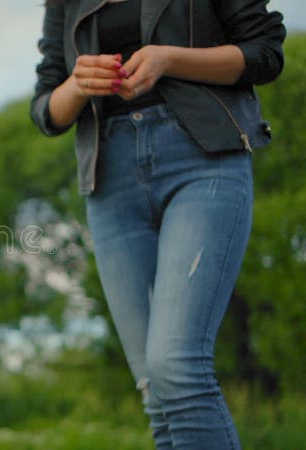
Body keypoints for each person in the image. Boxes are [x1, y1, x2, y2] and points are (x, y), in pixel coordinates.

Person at [30, 0, 285, 448]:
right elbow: (48, 109)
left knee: (177, 370)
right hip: (110, 179)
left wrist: (170, 58)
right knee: (157, 395)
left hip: (202, 160)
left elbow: (265, 52)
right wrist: (78, 83)